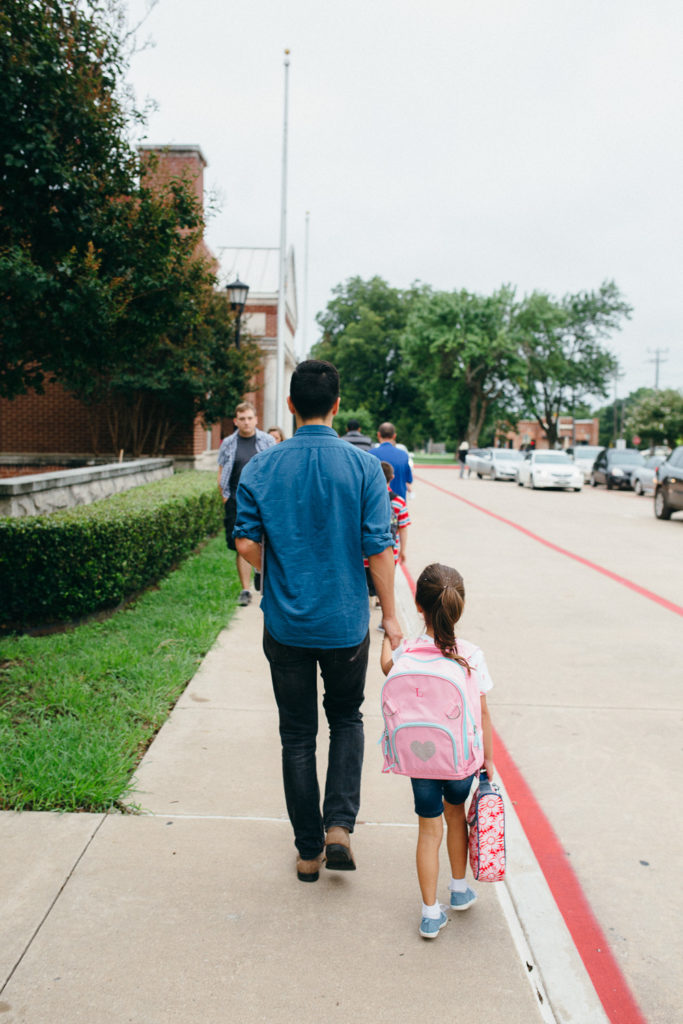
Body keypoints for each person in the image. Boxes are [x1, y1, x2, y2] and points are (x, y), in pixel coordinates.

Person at [234, 360, 402, 883]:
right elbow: (379, 550)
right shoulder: (364, 468)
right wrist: (391, 618)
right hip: (346, 623)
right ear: (336, 405)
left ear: (289, 406)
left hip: (285, 623)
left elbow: (244, 542)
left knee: (297, 735)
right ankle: (338, 829)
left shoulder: (260, 468)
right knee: (347, 719)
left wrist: (280, 570)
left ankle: (308, 851)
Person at [380, 562, 494, 940]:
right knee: (455, 816)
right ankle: (459, 891)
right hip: (460, 763)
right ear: (459, 607)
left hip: (420, 761)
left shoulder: (407, 651)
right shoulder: (470, 655)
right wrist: (488, 759)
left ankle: (430, 914)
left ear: (419, 606)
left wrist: (388, 631)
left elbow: (385, 667)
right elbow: (483, 714)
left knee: (429, 832)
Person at [217, 401, 275, 606]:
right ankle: (245, 589)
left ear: (256, 419)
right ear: (235, 421)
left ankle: (266, 581)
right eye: (242, 419)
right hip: (236, 502)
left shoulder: (267, 441)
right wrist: (225, 497)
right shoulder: (228, 443)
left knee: (266, 541)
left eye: (250, 418)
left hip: (263, 502)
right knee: (241, 544)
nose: (246, 422)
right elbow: (222, 471)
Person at [364, 461, 410, 602]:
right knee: (385, 580)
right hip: (390, 552)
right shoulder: (399, 502)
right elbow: (403, 528)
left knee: (366, 581)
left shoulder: (365, 499)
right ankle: (380, 600)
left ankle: (368, 599)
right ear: (392, 477)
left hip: (365, 554)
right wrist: (402, 550)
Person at [369, 422, 413, 499]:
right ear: (394, 436)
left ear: (378, 435)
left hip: (377, 501)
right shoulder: (403, 455)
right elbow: (408, 480)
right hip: (399, 502)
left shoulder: (370, 455)